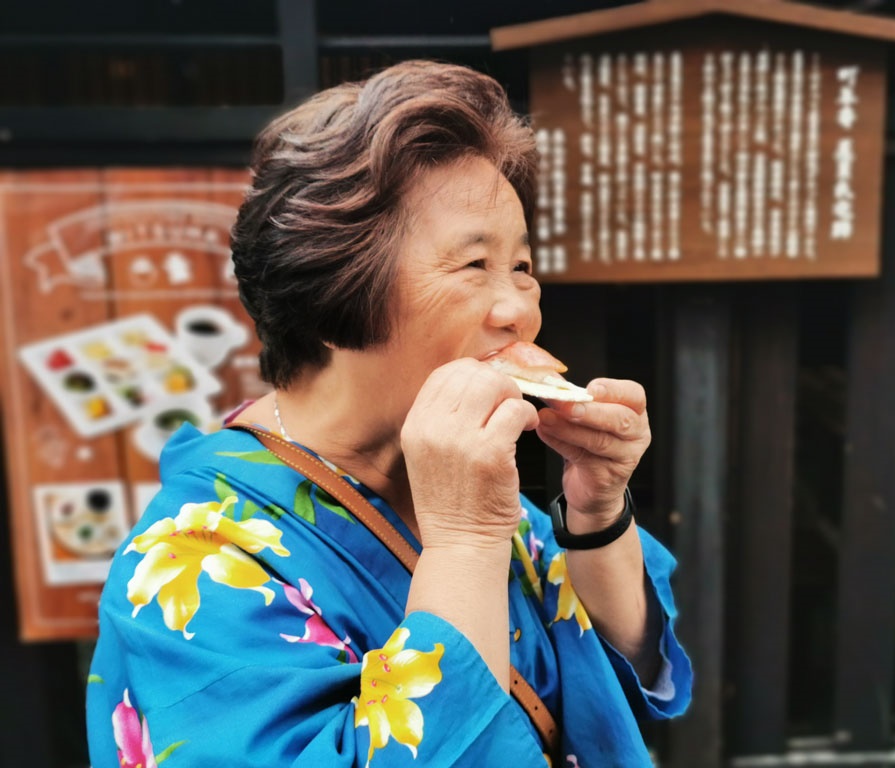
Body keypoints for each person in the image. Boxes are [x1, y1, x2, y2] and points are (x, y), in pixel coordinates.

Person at [86, 60, 691, 767]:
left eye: (522, 267)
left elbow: (616, 677)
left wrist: (597, 510)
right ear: (332, 300)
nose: (519, 309)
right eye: (474, 267)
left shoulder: (473, 493)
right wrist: (463, 544)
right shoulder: (188, 570)